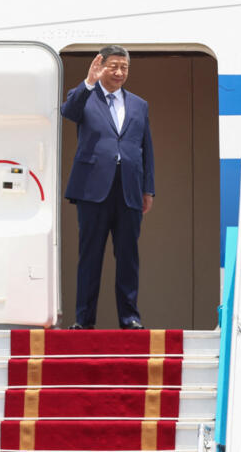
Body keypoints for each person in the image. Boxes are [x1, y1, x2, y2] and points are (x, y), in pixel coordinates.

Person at [61, 45, 155, 329]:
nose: (118, 72)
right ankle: (84, 320)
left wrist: (148, 188)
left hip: (129, 189)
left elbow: (146, 148)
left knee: (128, 256)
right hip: (93, 189)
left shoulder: (139, 104)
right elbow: (69, 112)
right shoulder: (85, 96)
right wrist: (89, 82)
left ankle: (130, 318)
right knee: (90, 256)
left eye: (124, 67)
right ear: (101, 66)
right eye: (113, 66)